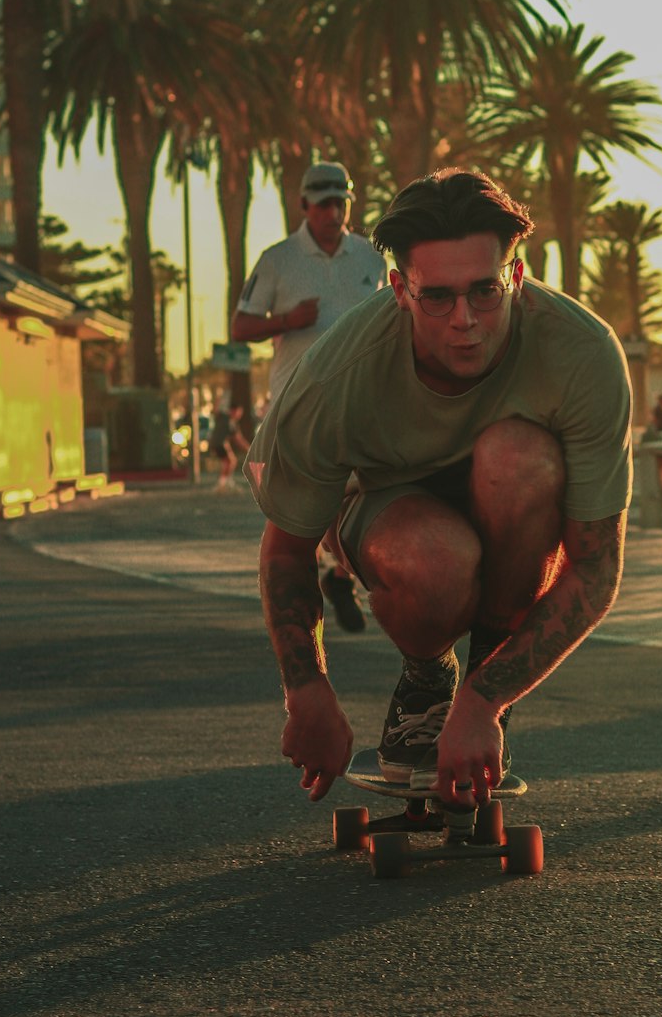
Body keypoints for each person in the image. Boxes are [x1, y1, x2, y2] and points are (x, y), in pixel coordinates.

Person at [245, 168, 632, 804]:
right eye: (438, 297)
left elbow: (596, 566)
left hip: (513, 517)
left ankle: (475, 686)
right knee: (436, 555)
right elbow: (286, 550)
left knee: (520, 457)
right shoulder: (334, 375)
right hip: (393, 519)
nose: (465, 321)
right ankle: (426, 683)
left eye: (485, 291)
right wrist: (307, 692)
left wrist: (486, 699)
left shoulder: (583, 353)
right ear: (399, 288)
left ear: (517, 273)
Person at [232, 161, 387, 629]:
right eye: (322, 204)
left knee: (368, 491)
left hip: (360, 397)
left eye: (340, 202)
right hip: (296, 397)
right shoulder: (277, 259)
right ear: (303, 206)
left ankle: (340, 573)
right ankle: (317, 581)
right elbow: (240, 326)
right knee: (313, 495)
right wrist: (286, 321)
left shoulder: (371, 258)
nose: (332, 211)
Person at [210, 395, 245, 490]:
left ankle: (225, 482)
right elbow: (238, 439)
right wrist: (248, 448)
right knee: (230, 461)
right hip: (218, 443)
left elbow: (237, 438)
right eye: (239, 412)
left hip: (219, 443)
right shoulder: (226, 418)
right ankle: (224, 483)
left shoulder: (229, 420)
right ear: (233, 411)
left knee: (228, 462)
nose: (240, 414)